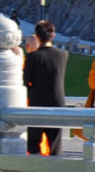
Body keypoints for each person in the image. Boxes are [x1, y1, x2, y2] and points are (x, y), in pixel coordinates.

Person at [24, 19, 68, 156]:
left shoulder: (33, 57)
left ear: (37, 36)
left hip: (36, 104)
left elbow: (25, 82)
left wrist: (33, 94)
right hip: (58, 103)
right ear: (53, 35)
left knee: (34, 144)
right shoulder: (63, 55)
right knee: (55, 144)